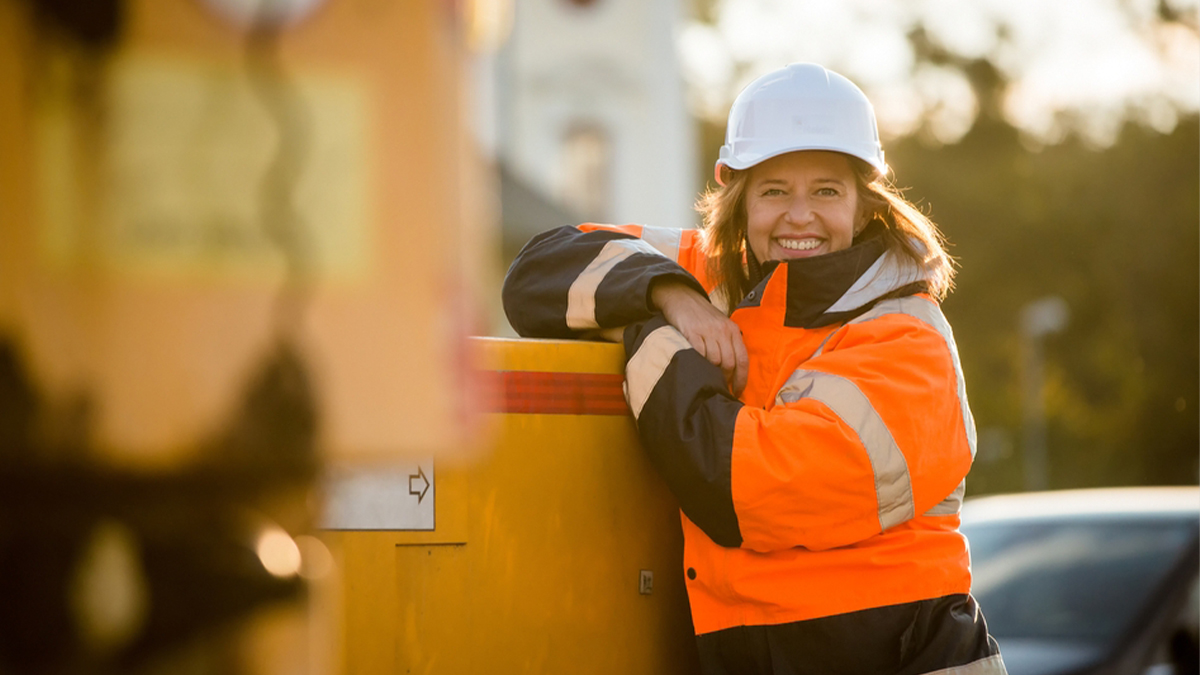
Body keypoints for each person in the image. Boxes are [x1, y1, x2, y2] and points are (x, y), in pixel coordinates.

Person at [502, 62, 1006, 675]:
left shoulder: (906, 341)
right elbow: (536, 273)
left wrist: (648, 334)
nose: (800, 217)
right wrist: (671, 296)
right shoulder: (712, 274)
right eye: (774, 191)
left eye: (826, 190)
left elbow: (742, 489)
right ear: (739, 201)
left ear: (864, 204)